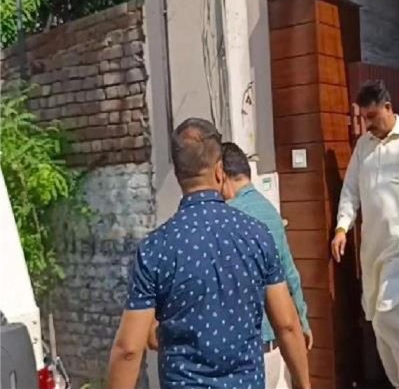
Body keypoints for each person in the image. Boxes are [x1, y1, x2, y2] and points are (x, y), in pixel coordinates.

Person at [107, 118, 310, 389]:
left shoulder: (156, 248)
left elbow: (129, 350)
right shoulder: (256, 235)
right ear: (219, 171)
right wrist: (303, 385)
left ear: (177, 174)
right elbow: (287, 325)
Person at [331, 80, 399, 389]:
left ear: (389, 108)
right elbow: (350, 191)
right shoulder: (363, 146)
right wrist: (342, 228)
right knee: (378, 323)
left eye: (373, 116)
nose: (368, 124)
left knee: (389, 316)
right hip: (372, 249)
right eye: (365, 117)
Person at [219, 141, 313, 389]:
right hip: (275, 347)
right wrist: (302, 322)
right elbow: (290, 273)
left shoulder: (227, 219)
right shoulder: (269, 211)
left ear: (222, 176)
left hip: (243, 352)